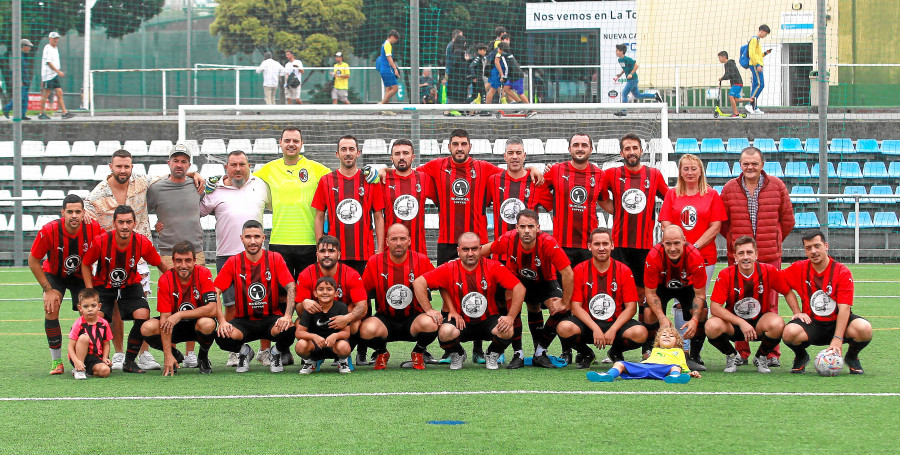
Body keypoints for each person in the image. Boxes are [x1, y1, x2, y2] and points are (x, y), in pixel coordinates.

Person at [84, 148, 202, 370]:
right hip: (110, 257)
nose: (123, 170)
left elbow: (170, 173)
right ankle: (118, 353)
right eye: (118, 166)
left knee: (142, 305)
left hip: (139, 253)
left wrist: (193, 173)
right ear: (111, 167)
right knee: (115, 308)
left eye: (126, 166)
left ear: (132, 167)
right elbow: (84, 213)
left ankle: (144, 353)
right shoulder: (98, 194)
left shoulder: (141, 181)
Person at [721, 146, 794, 366]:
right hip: (739, 256)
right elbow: (724, 224)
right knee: (737, 303)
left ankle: (771, 353)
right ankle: (741, 352)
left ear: (762, 165)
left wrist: (774, 240)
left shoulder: (778, 186)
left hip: (769, 255)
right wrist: (736, 244)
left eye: (754, 163)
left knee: (771, 305)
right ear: (740, 165)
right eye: (746, 164)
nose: (750, 167)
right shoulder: (729, 188)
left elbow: (788, 220)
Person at [413, 232, 525, 370]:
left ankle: (492, 353)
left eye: (474, 249)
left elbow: (519, 288)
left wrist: (511, 317)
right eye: (466, 249)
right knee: (445, 332)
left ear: (480, 249)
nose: (470, 253)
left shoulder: (493, 266)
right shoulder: (449, 268)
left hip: (488, 319)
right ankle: (458, 353)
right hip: (461, 321)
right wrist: (429, 309)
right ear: (458, 250)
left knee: (507, 329)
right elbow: (418, 283)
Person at [200, 150, 270, 366]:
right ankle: (235, 349)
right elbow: (196, 212)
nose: (238, 169)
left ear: (249, 166)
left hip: (257, 257)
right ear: (226, 168)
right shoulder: (216, 190)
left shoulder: (261, 186)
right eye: (233, 165)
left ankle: (265, 351)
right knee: (230, 305)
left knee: (263, 303)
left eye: (242, 164)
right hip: (227, 256)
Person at [80, 205, 169, 374]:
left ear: (135, 223)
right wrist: (90, 292)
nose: (125, 226)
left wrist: (176, 277)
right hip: (103, 285)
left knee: (143, 314)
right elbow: (85, 264)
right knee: (95, 317)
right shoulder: (101, 241)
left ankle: (129, 360)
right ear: (114, 223)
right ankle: (93, 360)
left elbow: (159, 263)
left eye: (129, 222)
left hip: (130, 284)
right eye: (121, 222)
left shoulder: (142, 241)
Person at [483, 210, 573, 369]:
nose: (526, 230)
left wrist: (564, 301)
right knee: (508, 299)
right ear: (516, 227)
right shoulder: (508, 239)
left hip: (544, 282)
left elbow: (568, 273)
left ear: (538, 228)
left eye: (530, 226)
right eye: (522, 226)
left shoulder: (548, 242)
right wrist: (467, 261)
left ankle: (540, 352)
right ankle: (518, 354)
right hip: (516, 283)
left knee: (562, 310)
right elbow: (487, 249)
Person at [28, 194, 103, 374]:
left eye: (78, 211)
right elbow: (33, 260)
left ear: (84, 212)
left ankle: (90, 358)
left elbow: (102, 250)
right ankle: (56, 362)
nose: (74, 215)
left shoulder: (92, 227)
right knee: (51, 307)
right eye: (70, 211)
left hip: (80, 274)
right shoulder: (49, 230)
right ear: (63, 213)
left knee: (92, 310)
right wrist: (48, 290)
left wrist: (91, 287)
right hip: (55, 275)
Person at [781, 231, 873, 374]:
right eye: (808, 248)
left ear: (826, 246)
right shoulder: (798, 268)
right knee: (789, 333)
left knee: (864, 329)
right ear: (805, 250)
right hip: (812, 323)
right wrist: (796, 312)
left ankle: (852, 357)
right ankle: (801, 356)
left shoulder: (842, 272)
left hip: (838, 321)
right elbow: (781, 284)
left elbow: (844, 309)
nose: (813, 251)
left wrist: (837, 338)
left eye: (817, 246)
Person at [658, 153, 726, 346]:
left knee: (698, 303)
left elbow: (715, 227)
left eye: (693, 168)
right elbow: (665, 222)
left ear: (700, 171)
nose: (689, 172)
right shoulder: (672, 193)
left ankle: (694, 349)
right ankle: (680, 345)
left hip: (704, 256)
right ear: (680, 171)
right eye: (685, 168)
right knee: (680, 301)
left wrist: (693, 248)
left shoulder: (711, 194)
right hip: (675, 258)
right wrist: (680, 248)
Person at [213, 220, 297, 373]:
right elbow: (215, 291)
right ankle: (245, 351)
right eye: (248, 237)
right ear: (242, 238)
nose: (252, 241)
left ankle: (275, 352)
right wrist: (222, 321)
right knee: (221, 335)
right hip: (244, 322)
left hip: (271, 319)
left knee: (290, 328)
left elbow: (291, 286)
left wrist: (287, 316)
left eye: (256, 237)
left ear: (263, 238)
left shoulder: (274, 258)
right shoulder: (234, 261)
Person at [557, 227, 648, 369]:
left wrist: (613, 329)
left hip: (615, 323)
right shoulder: (580, 270)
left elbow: (631, 308)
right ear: (589, 247)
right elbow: (575, 307)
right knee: (564, 328)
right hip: (588, 325)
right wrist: (595, 328)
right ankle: (586, 353)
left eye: (605, 244)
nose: (601, 248)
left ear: (612, 245)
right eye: (597, 244)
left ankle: (616, 352)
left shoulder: (623, 270)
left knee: (640, 333)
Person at [706, 236, 796, 374]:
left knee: (778, 323)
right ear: (735, 257)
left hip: (759, 323)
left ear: (756, 255)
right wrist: (741, 322)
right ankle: (732, 355)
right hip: (734, 325)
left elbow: (787, 292)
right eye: (741, 253)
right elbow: (715, 307)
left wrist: (797, 312)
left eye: (749, 252)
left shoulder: (768, 271)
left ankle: (761, 356)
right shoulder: (726, 274)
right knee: (711, 326)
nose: (745, 257)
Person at [599, 133, 669, 311]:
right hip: (619, 245)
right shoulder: (611, 174)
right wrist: (615, 210)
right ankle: (622, 334)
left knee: (643, 293)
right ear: (621, 153)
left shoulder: (653, 175)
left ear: (641, 151)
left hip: (644, 245)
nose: (631, 152)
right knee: (619, 292)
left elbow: (669, 199)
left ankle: (643, 334)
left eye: (635, 148)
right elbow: (600, 196)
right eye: (627, 149)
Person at [417, 129, 504, 265]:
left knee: (480, 285)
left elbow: (512, 176)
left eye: (463, 144)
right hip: (447, 240)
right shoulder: (436, 165)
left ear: (470, 146)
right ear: (449, 147)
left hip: (477, 241)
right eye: (455, 144)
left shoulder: (484, 167)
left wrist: (532, 170)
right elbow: (408, 175)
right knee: (445, 285)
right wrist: (385, 171)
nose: (459, 148)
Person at [361, 224, 440, 370]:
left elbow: (441, 283)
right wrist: (361, 315)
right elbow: (362, 293)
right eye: (394, 239)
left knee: (432, 322)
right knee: (366, 329)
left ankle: (418, 352)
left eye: (402, 239)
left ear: (409, 241)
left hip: (414, 319)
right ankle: (382, 353)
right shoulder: (375, 262)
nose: (398, 243)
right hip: (385, 319)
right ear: (386, 242)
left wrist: (433, 310)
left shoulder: (421, 260)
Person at [254, 128, 330, 277]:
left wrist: (379, 172)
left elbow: (343, 178)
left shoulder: (316, 169)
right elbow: (244, 182)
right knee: (281, 295)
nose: (291, 144)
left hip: (309, 242)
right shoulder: (269, 169)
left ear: (302, 144)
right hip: (279, 242)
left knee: (306, 294)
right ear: (280, 143)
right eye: (287, 140)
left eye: (295, 141)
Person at [141, 241, 218, 375]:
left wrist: (180, 315)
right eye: (179, 261)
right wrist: (167, 354)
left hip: (196, 325)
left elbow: (212, 309)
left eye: (188, 260)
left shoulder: (204, 273)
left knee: (208, 323)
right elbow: (165, 318)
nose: (183, 266)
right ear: (172, 261)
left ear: (195, 260)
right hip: (174, 326)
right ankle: (175, 355)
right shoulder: (165, 279)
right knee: (147, 328)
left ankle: (203, 357)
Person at [312, 135, 385, 275]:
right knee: (335, 295)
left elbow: (378, 217)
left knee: (364, 296)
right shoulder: (326, 181)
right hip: (334, 253)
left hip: (364, 253)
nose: (348, 153)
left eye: (352, 149)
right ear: (337, 154)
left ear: (358, 152)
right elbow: (319, 217)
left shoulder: (370, 181)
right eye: (343, 149)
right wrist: (320, 248)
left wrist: (380, 250)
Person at [294, 236, 369, 365]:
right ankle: (313, 357)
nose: (327, 255)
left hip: (341, 321)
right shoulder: (306, 274)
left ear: (339, 254)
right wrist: (304, 303)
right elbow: (300, 311)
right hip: (316, 320)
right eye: (323, 251)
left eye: (331, 251)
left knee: (355, 324)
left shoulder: (351, 274)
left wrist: (347, 318)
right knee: (299, 323)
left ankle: (343, 355)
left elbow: (362, 307)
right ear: (317, 254)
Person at [642, 225, 708, 371]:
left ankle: (694, 356)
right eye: (668, 243)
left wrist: (695, 320)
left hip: (686, 288)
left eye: (677, 243)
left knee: (702, 312)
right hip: (661, 287)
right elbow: (650, 293)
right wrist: (662, 318)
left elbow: (700, 294)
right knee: (649, 313)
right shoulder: (653, 256)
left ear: (684, 240)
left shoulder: (695, 256)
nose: (673, 248)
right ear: (662, 242)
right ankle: (651, 352)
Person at [540, 132, 605, 266]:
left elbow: (604, 201)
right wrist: (533, 169)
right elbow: (538, 188)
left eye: (584, 145)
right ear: (569, 149)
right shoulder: (556, 170)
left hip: (589, 243)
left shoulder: (600, 174)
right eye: (576, 145)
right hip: (562, 243)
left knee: (587, 285)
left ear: (591, 150)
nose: (580, 148)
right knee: (564, 285)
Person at [148, 143, 205, 270]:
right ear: (169, 163)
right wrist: (155, 225)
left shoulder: (198, 185)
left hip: (196, 251)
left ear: (189, 165)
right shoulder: (156, 188)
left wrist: (195, 174)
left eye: (184, 161)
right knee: (169, 289)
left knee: (199, 289)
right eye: (176, 161)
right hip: (169, 253)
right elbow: (141, 211)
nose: (179, 165)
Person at [586, 326, 700, 384]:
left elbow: (681, 365)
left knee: (675, 367)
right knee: (619, 363)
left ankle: (675, 377)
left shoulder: (678, 351)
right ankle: (607, 375)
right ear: (658, 340)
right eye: (664, 335)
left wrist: (689, 373)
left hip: (663, 369)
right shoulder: (655, 350)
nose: (667, 337)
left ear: (677, 341)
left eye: (671, 336)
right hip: (646, 366)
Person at [380, 139, 429, 256]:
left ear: (413, 157)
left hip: (418, 250)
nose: (401, 157)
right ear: (391, 158)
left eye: (406, 153)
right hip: (390, 250)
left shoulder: (424, 178)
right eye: (397, 154)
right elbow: (378, 216)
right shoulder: (383, 180)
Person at [295, 276, 353, 374]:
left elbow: (346, 333)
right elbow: (299, 332)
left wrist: (335, 336)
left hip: (334, 345)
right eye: (321, 289)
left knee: (344, 346)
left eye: (329, 289)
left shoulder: (341, 307)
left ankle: (342, 361)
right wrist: (314, 336)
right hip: (316, 345)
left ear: (336, 293)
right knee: (300, 345)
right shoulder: (311, 308)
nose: (325, 292)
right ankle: (310, 362)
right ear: (315, 293)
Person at [67, 289, 113, 379]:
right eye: (86, 306)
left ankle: (87, 370)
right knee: (84, 338)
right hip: (79, 357)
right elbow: (70, 346)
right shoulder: (78, 323)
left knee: (105, 371)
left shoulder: (104, 324)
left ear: (99, 306)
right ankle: (79, 369)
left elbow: (106, 343)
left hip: (96, 357)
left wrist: (104, 358)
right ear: (80, 308)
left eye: (93, 305)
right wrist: (76, 361)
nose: (90, 309)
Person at [613, 43, 662, 117]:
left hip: (633, 79)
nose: (616, 52)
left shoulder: (627, 59)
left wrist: (631, 74)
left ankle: (623, 111)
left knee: (624, 93)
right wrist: (620, 74)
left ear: (622, 51)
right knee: (638, 95)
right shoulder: (620, 60)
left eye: (617, 51)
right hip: (630, 80)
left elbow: (636, 65)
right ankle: (655, 95)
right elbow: (625, 68)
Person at [39, 31, 74, 119]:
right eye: (54, 38)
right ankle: (41, 113)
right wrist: (58, 71)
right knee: (46, 94)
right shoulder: (47, 48)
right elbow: (49, 63)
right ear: (50, 39)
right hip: (48, 75)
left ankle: (64, 113)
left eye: (57, 38)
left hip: (54, 75)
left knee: (59, 93)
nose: (56, 40)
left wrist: (56, 72)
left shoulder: (55, 48)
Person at [2, 39, 34, 120]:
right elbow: (15, 70)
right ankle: (6, 108)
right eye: (28, 46)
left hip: (25, 81)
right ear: (23, 46)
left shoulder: (24, 56)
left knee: (25, 99)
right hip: (21, 81)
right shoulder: (18, 56)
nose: (29, 48)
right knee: (18, 98)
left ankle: (22, 114)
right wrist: (19, 80)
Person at [717, 51, 754, 117]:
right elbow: (727, 74)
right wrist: (722, 79)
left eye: (719, 57)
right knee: (736, 99)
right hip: (735, 83)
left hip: (737, 82)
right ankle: (751, 100)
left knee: (731, 96)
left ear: (724, 57)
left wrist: (722, 78)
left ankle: (736, 112)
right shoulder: (726, 64)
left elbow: (731, 74)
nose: (719, 59)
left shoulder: (730, 63)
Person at [746, 24, 771, 115]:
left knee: (756, 85)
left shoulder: (757, 40)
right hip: (755, 65)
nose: (765, 36)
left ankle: (754, 107)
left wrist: (765, 53)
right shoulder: (754, 39)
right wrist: (757, 64)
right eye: (766, 34)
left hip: (757, 64)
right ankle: (749, 103)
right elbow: (751, 54)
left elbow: (757, 54)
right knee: (761, 84)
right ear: (762, 31)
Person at [376, 30, 401, 106]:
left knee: (388, 89)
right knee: (395, 88)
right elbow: (389, 57)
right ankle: (381, 104)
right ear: (392, 37)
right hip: (387, 69)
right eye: (395, 39)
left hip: (383, 69)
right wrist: (395, 69)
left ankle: (386, 109)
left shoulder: (384, 44)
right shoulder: (387, 45)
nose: (395, 42)